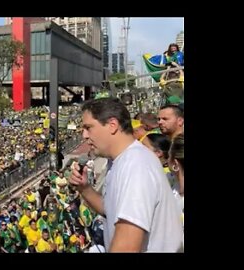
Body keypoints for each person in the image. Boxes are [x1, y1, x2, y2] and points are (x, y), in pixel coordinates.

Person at [69, 98, 183, 252]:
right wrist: (85, 189)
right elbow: (111, 209)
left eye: (89, 127)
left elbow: (127, 245)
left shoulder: (136, 165)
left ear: (112, 125)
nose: (84, 135)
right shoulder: (119, 161)